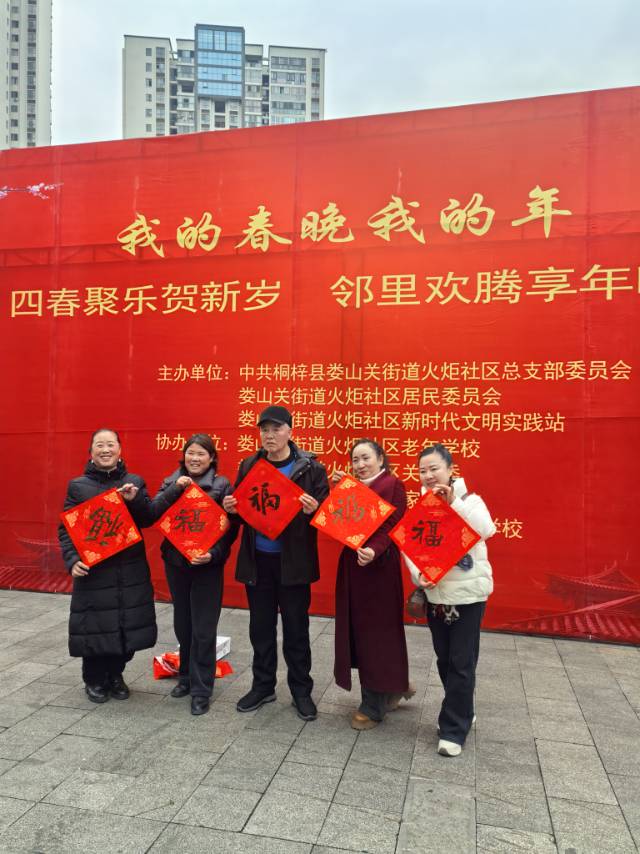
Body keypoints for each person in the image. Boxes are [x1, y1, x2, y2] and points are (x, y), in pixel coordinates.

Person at [223, 405, 329, 721]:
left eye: (276, 429)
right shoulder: (250, 465)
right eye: (264, 430)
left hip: (293, 563)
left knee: (296, 629)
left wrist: (314, 510)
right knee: (261, 628)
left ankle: (301, 691)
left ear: (290, 432)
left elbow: (326, 515)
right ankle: (263, 686)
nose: (269, 436)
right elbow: (242, 511)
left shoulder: (310, 469)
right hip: (259, 561)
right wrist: (231, 509)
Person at [403, 443, 496, 757]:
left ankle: (453, 729)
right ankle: (464, 708)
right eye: (423, 471)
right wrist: (419, 575)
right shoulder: (421, 508)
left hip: (468, 597)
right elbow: (410, 548)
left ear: (450, 470)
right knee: (445, 659)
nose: (428, 475)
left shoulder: (470, 501)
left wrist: (453, 502)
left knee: (461, 661)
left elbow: (485, 529)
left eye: (434, 469)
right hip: (436, 595)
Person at [58, 428, 158, 704]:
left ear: (119, 450)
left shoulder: (134, 482)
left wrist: (134, 500)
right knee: (95, 626)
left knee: (127, 626)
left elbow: (148, 518)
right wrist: (72, 559)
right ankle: (94, 678)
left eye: (110, 444)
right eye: (99, 445)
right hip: (95, 570)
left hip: (129, 569)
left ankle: (116, 674)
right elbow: (66, 528)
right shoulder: (78, 486)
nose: (105, 450)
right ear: (91, 452)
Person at [152, 434, 236, 716]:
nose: (195, 458)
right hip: (176, 563)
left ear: (212, 458)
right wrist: (175, 489)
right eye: (191, 453)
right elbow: (154, 512)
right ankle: (186, 676)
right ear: (184, 456)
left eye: (201, 454)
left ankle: (201, 689)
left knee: (203, 628)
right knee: (183, 623)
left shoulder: (222, 486)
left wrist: (214, 553)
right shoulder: (171, 481)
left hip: (207, 567)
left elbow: (230, 528)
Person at [333, 439, 413, 730]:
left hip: (379, 570)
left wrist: (374, 550)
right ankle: (395, 684)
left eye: (366, 457)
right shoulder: (353, 487)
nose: (360, 464)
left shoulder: (393, 485)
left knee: (377, 635)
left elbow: (393, 526)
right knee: (358, 632)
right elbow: (341, 522)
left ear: (381, 458)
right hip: (353, 567)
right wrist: (339, 493)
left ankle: (373, 704)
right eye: (355, 460)